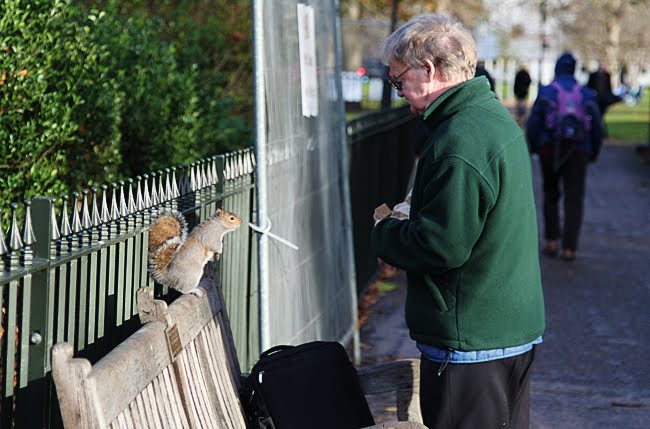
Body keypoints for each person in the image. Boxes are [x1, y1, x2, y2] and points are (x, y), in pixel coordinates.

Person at [372, 14, 545, 429]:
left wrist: (385, 234)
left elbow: (442, 245)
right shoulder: (491, 118)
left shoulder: (459, 139)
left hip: (469, 336)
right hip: (507, 326)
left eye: (398, 81)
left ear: (428, 71)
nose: (399, 93)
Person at [526, 52, 603, 261]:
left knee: (551, 194)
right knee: (574, 198)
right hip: (578, 151)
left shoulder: (547, 91)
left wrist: (534, 147)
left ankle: (552, 241)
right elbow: (597, 126)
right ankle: (569, 247)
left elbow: (533, 123)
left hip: (549, 149)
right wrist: (593, 151)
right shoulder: (586, 93)